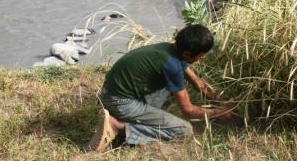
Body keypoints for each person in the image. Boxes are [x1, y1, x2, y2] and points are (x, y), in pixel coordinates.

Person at [88, 24, 240, 151]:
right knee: (184, 130)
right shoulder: (172, 66)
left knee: (170, 89)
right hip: (120, 101)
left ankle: (128, 119)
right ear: (188, 54)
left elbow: (199, 83)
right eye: (201, 56)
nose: (202, 58)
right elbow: (187, 110)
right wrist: (217, 113)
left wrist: (223, 102)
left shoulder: (170, 50)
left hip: (113, 91)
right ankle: (117, 126)